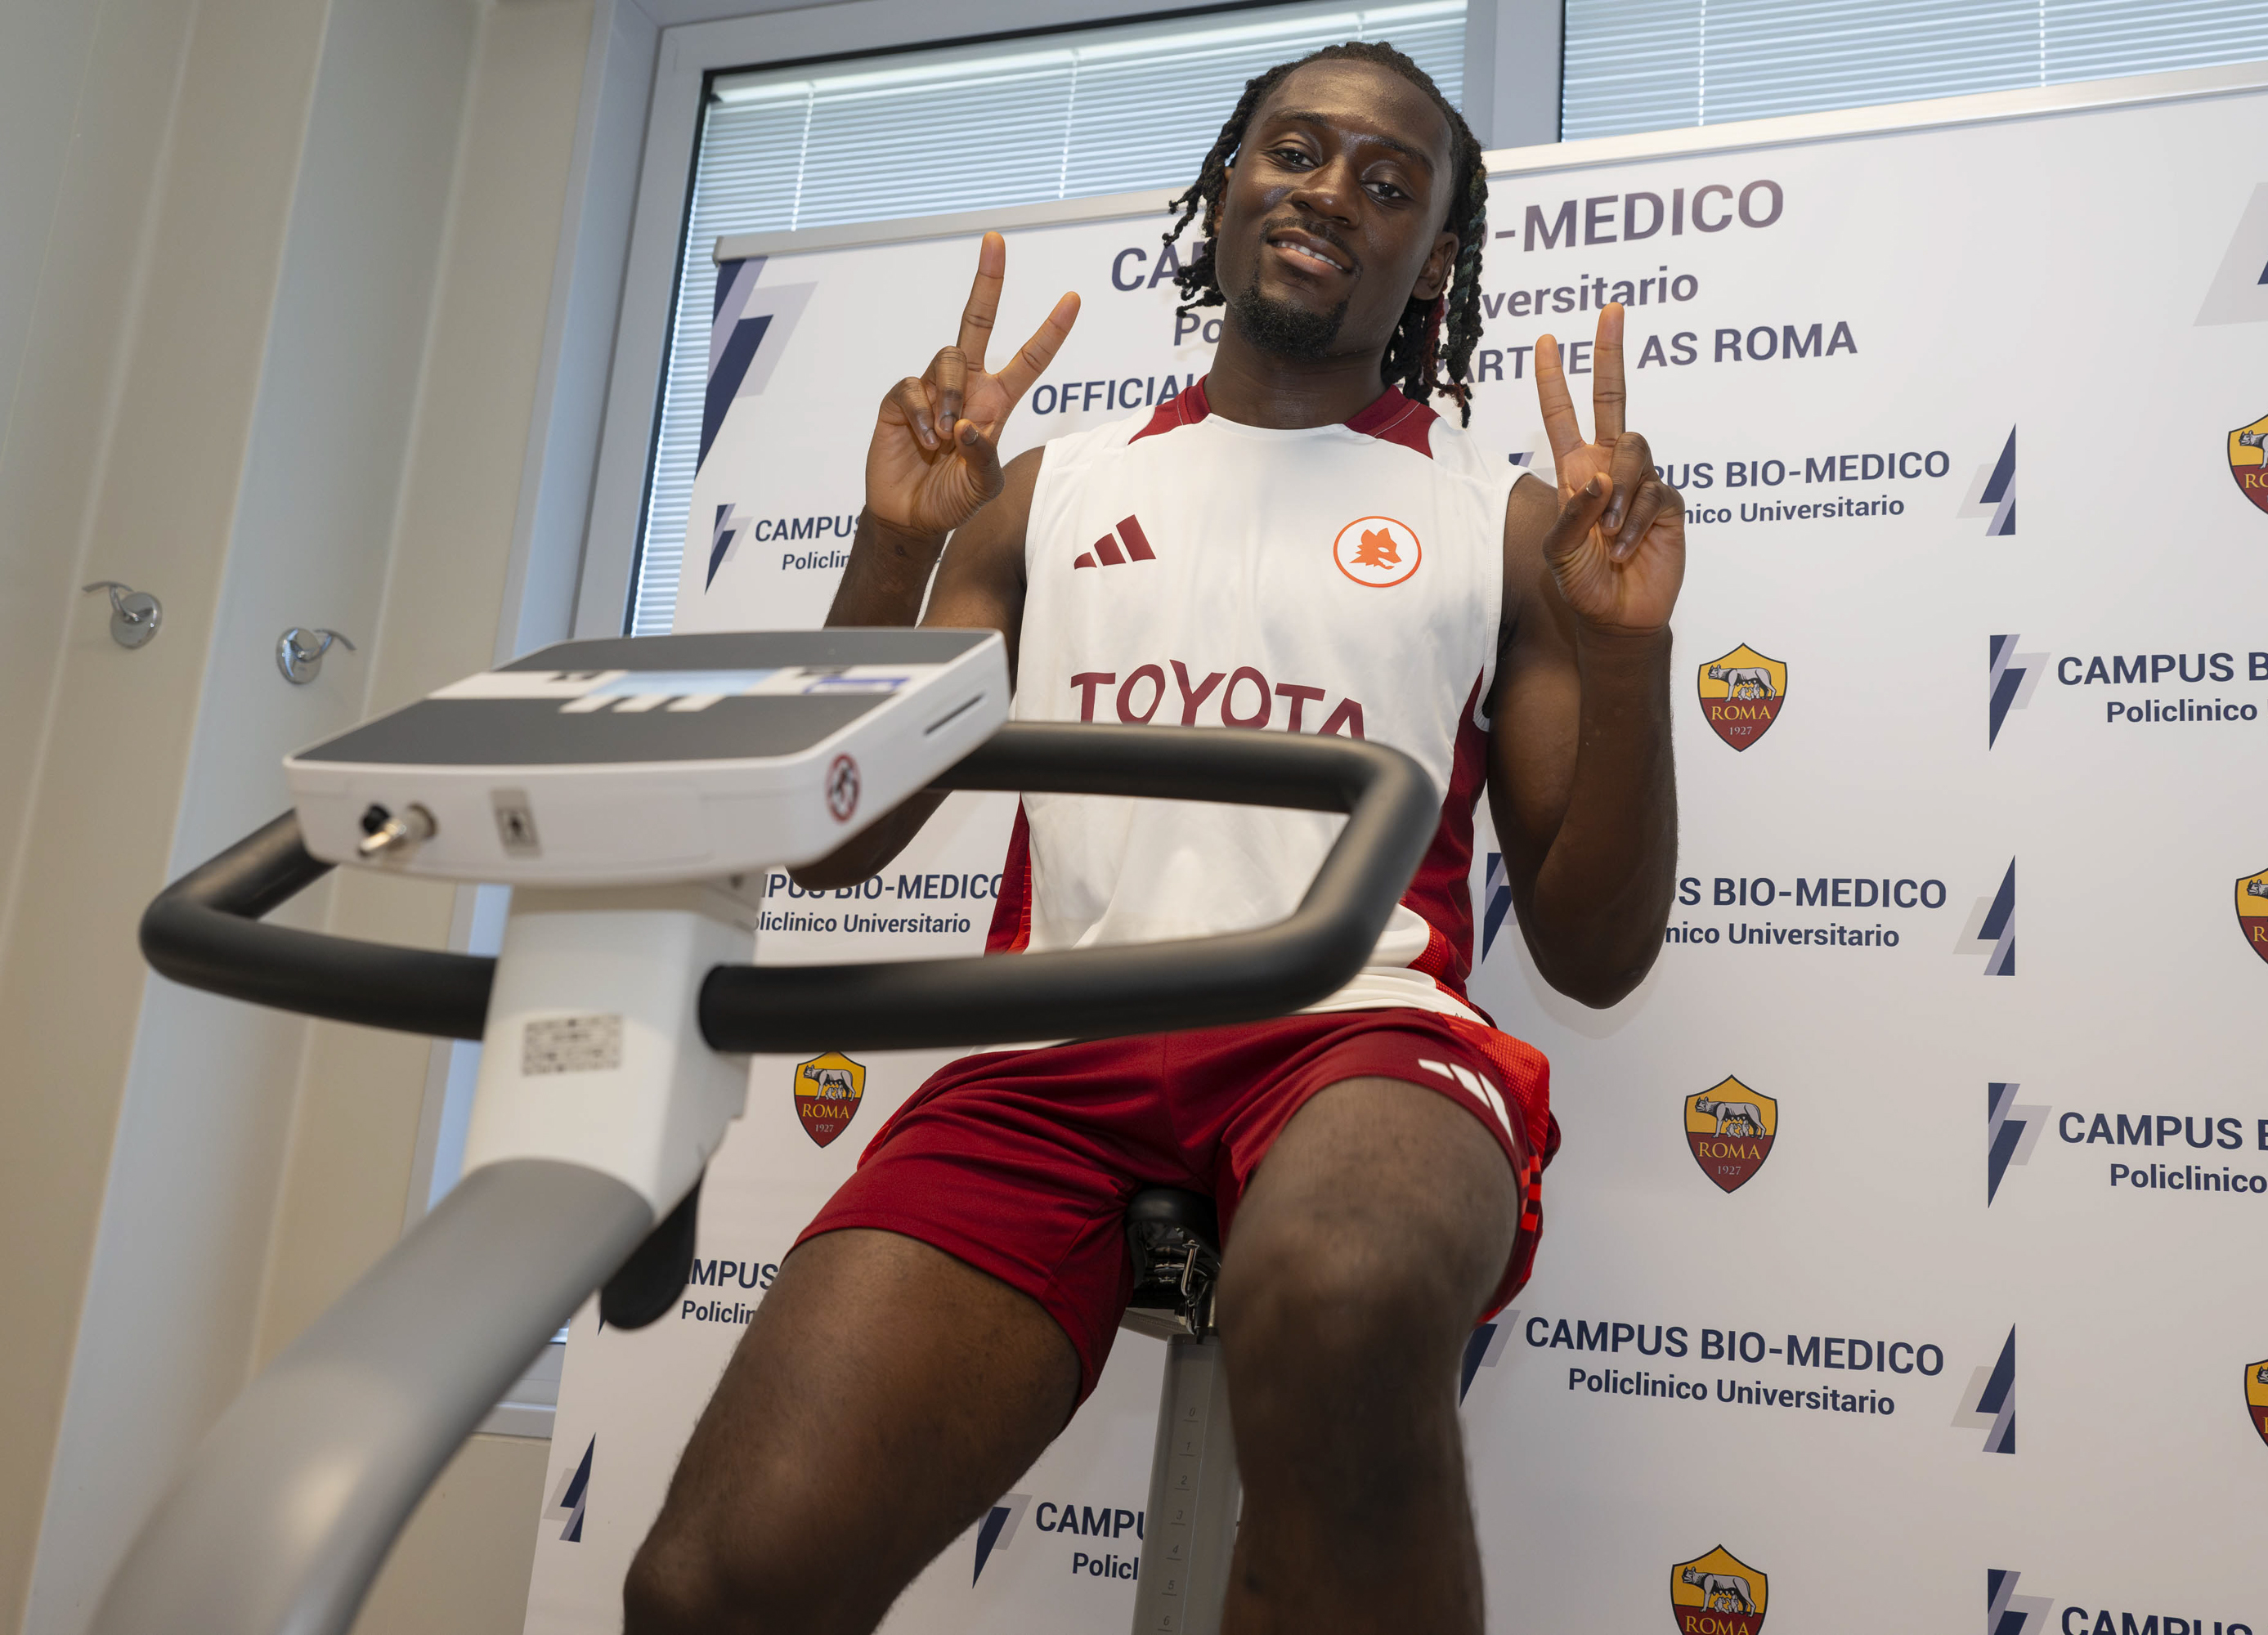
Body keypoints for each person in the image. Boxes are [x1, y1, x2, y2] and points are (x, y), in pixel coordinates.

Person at [626, 39, 1684, 1635]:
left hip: (1360, 1044)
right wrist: (891, 548)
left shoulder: (1502, 518)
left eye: (1389, 181)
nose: (1333, 191)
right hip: (1048, 1050)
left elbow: (1597, 956)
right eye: (1298, 151)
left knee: (1338, 1295)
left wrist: (1628, 654)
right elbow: (835, 846)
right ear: (1226, 187)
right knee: (714, 1584)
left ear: (1435, 256)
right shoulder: (1045, 490)